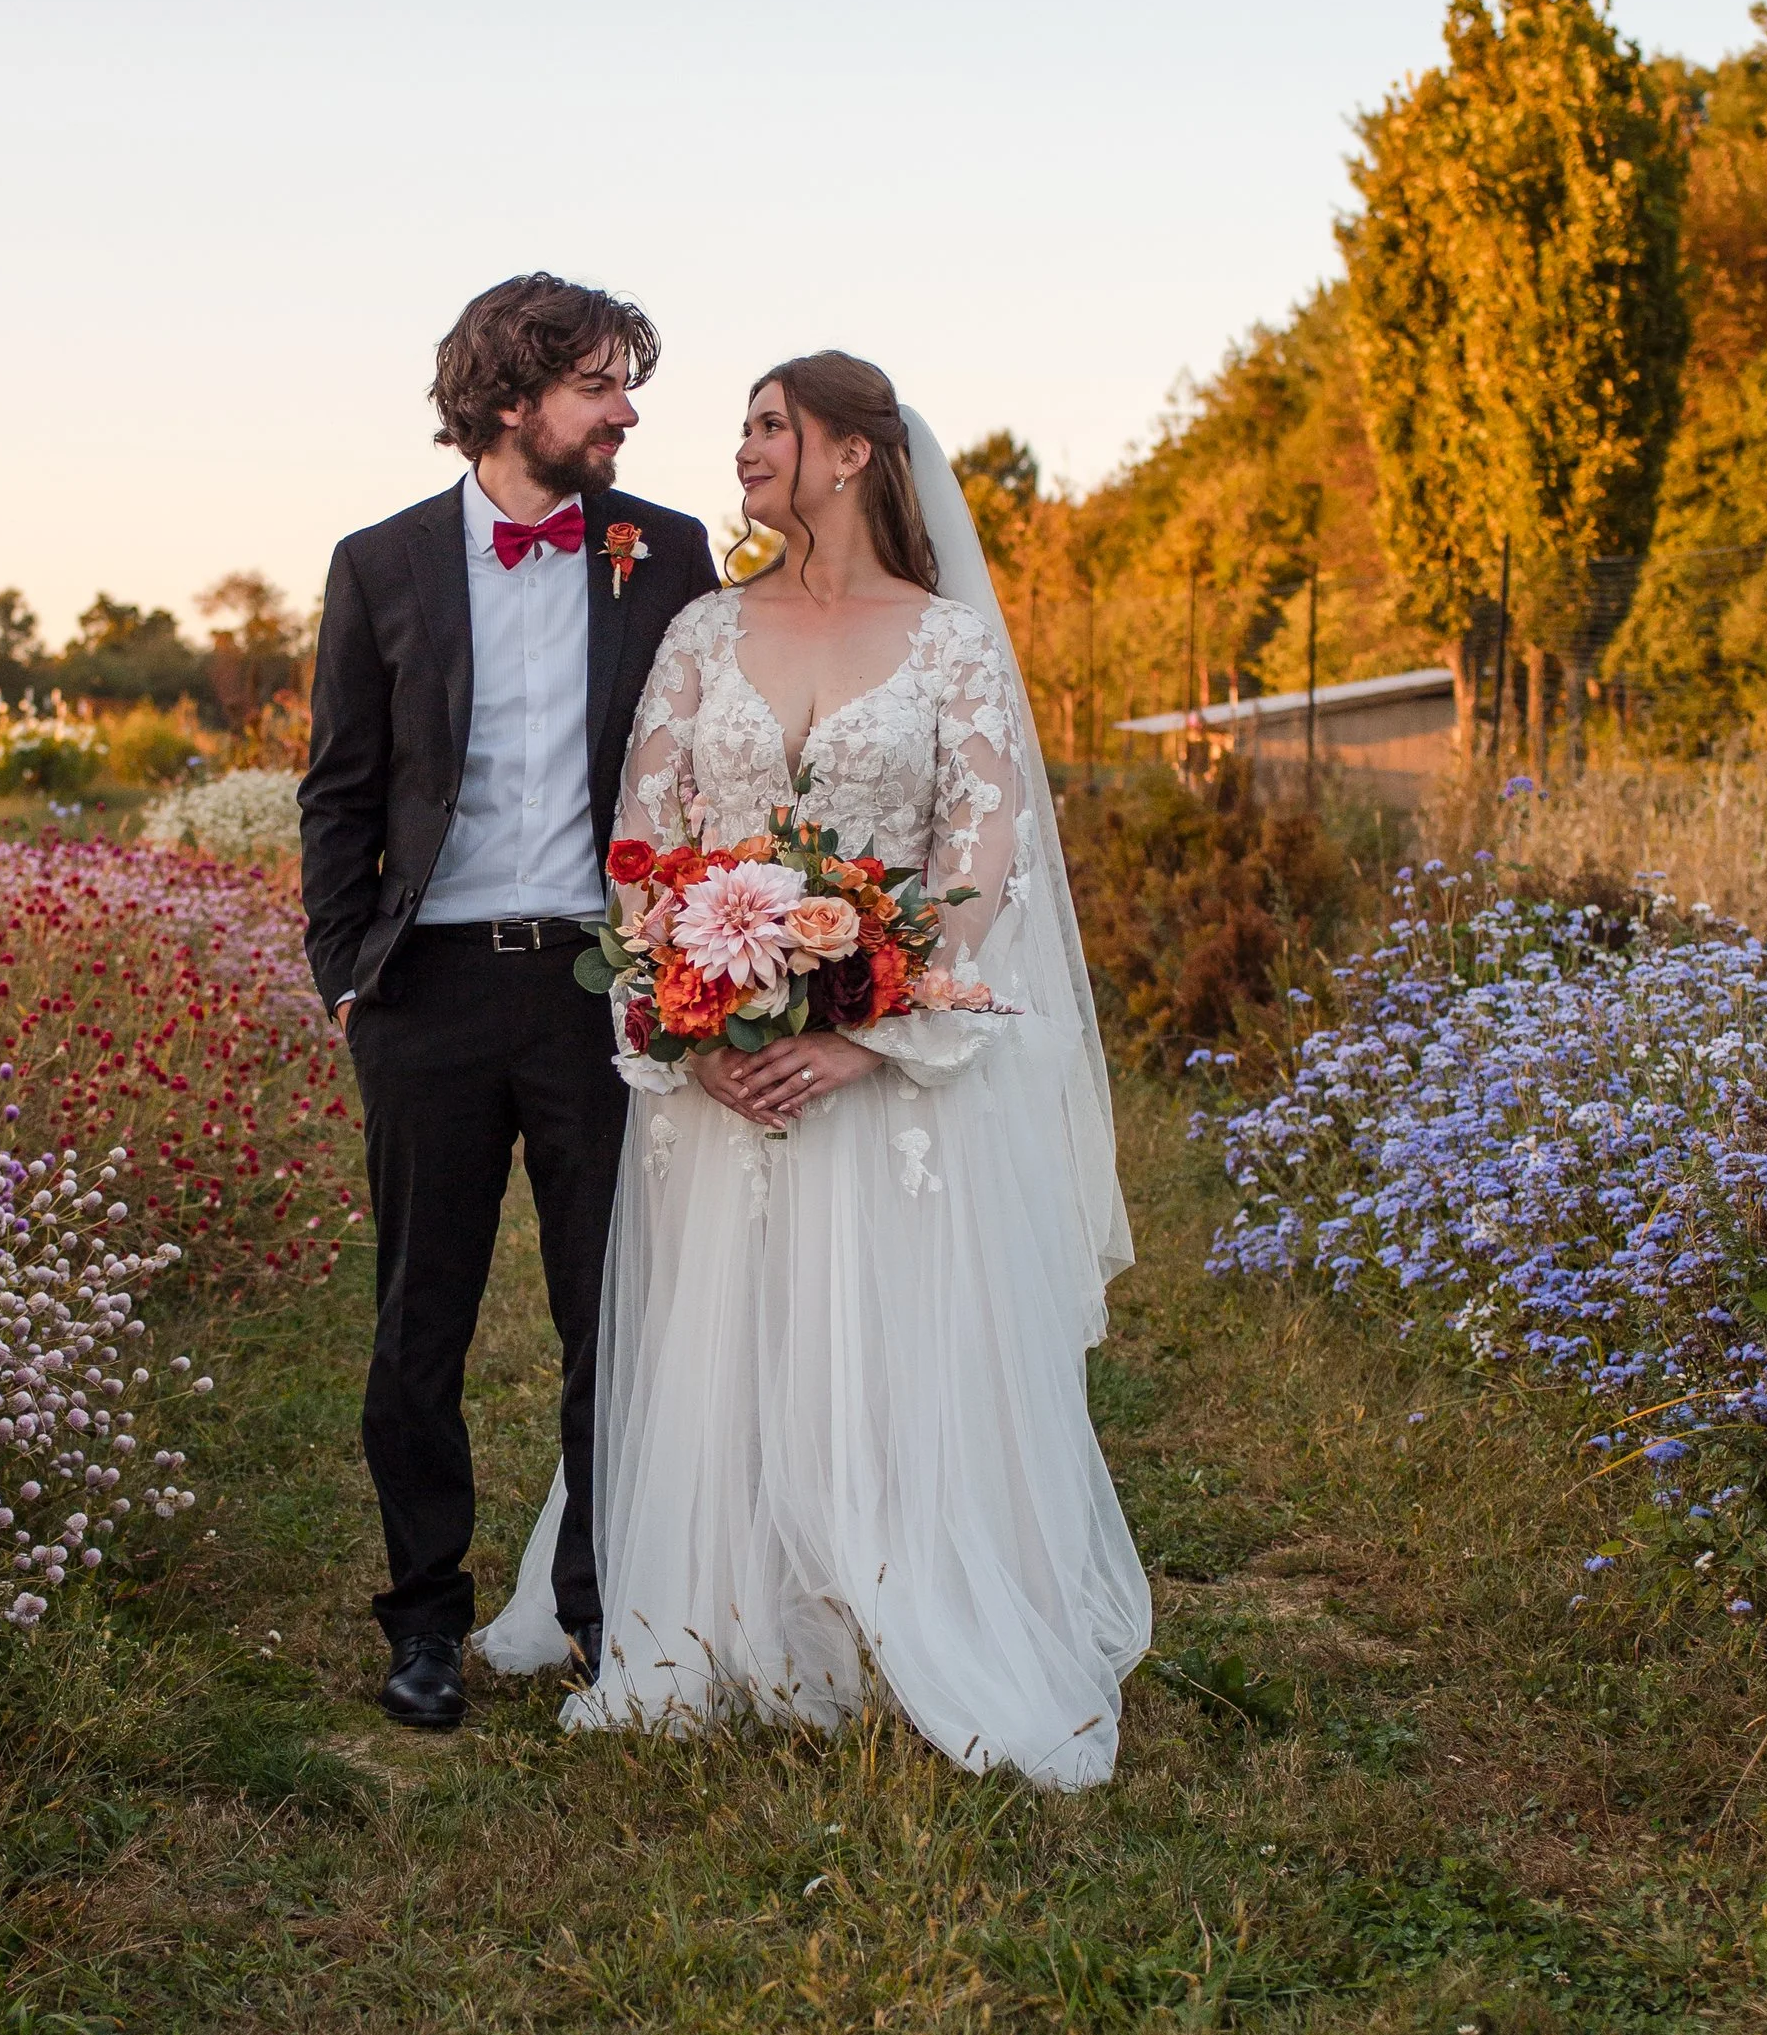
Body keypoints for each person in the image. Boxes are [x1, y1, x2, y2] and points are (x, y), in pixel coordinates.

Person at [479, 353, 1150, 1786]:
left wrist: (865, 1029)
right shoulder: (702, 634)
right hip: (721, 1074)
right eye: (743, 428)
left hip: (874, 1071)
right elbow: (644, 843)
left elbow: (981, 867)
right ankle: (719, 1611)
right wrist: (690, 1016)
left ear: (855, 451)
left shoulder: (951, 645)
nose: (743, 448)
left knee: (882, 1337)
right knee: (728, 1340)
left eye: (771, 425)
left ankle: (896, 1597)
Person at [299, 275, 716, 1729]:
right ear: (509, 399)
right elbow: (340, 786)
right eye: (601, 384)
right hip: (426, 998)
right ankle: (422, 1621)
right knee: (423, 1319)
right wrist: (346, 975)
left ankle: (602, 1606)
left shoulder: (668, 551)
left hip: (602, 994)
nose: (627, 411)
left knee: (619, 1307)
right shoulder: (381, 565)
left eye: (625, 385)